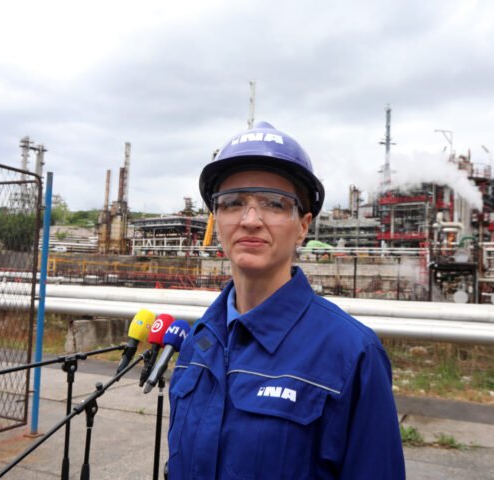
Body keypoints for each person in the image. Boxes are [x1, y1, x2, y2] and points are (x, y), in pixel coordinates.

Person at [167, 121, 405, 479]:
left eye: (274, 204)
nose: (250, 220)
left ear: (303, 226)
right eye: (233, 203)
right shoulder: (199, 342)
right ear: (217, 220)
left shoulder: (351, 355)